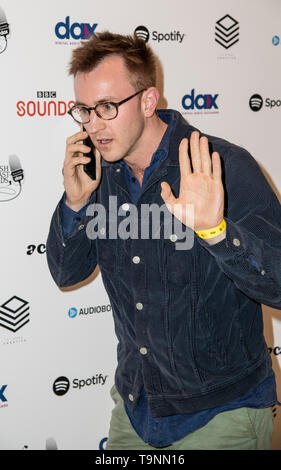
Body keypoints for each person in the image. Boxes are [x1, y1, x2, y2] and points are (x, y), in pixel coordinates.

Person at [46, 31, 281, 450]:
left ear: (149, 101)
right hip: (136, 411)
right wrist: (75, 203)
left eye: (106, 107)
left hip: (221, 415)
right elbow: (67, 274)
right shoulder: (97, 174)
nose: (93, 124)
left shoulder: (222, 165)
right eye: (83, 109)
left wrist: (216, 232)